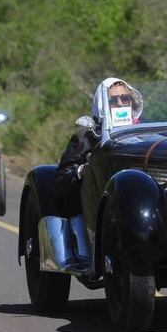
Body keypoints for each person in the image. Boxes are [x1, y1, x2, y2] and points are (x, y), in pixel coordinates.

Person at [47, 77, 142, 271]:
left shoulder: (145, 132)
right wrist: (83, 170)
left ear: (133, 102)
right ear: (102, 105)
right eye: (113, 101)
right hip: (97, 210)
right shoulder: (88, 135)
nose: (120, 104)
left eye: (125, 99)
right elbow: (61, 180)